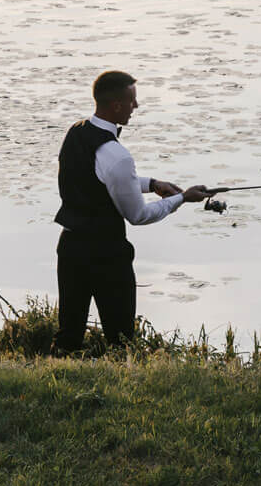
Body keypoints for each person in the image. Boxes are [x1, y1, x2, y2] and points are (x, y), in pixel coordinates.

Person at [53, 70, 207, 352]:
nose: (136, 106)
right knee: (120, 337)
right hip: (106, 253)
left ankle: (59, 376)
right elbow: (138, 215)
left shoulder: (76, 131)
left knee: (68, 333)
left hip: (71, 246)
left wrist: (151, 184)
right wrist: (181, 199)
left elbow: (97, 180)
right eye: (132, 100)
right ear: (117, 106)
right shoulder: (118, 156)